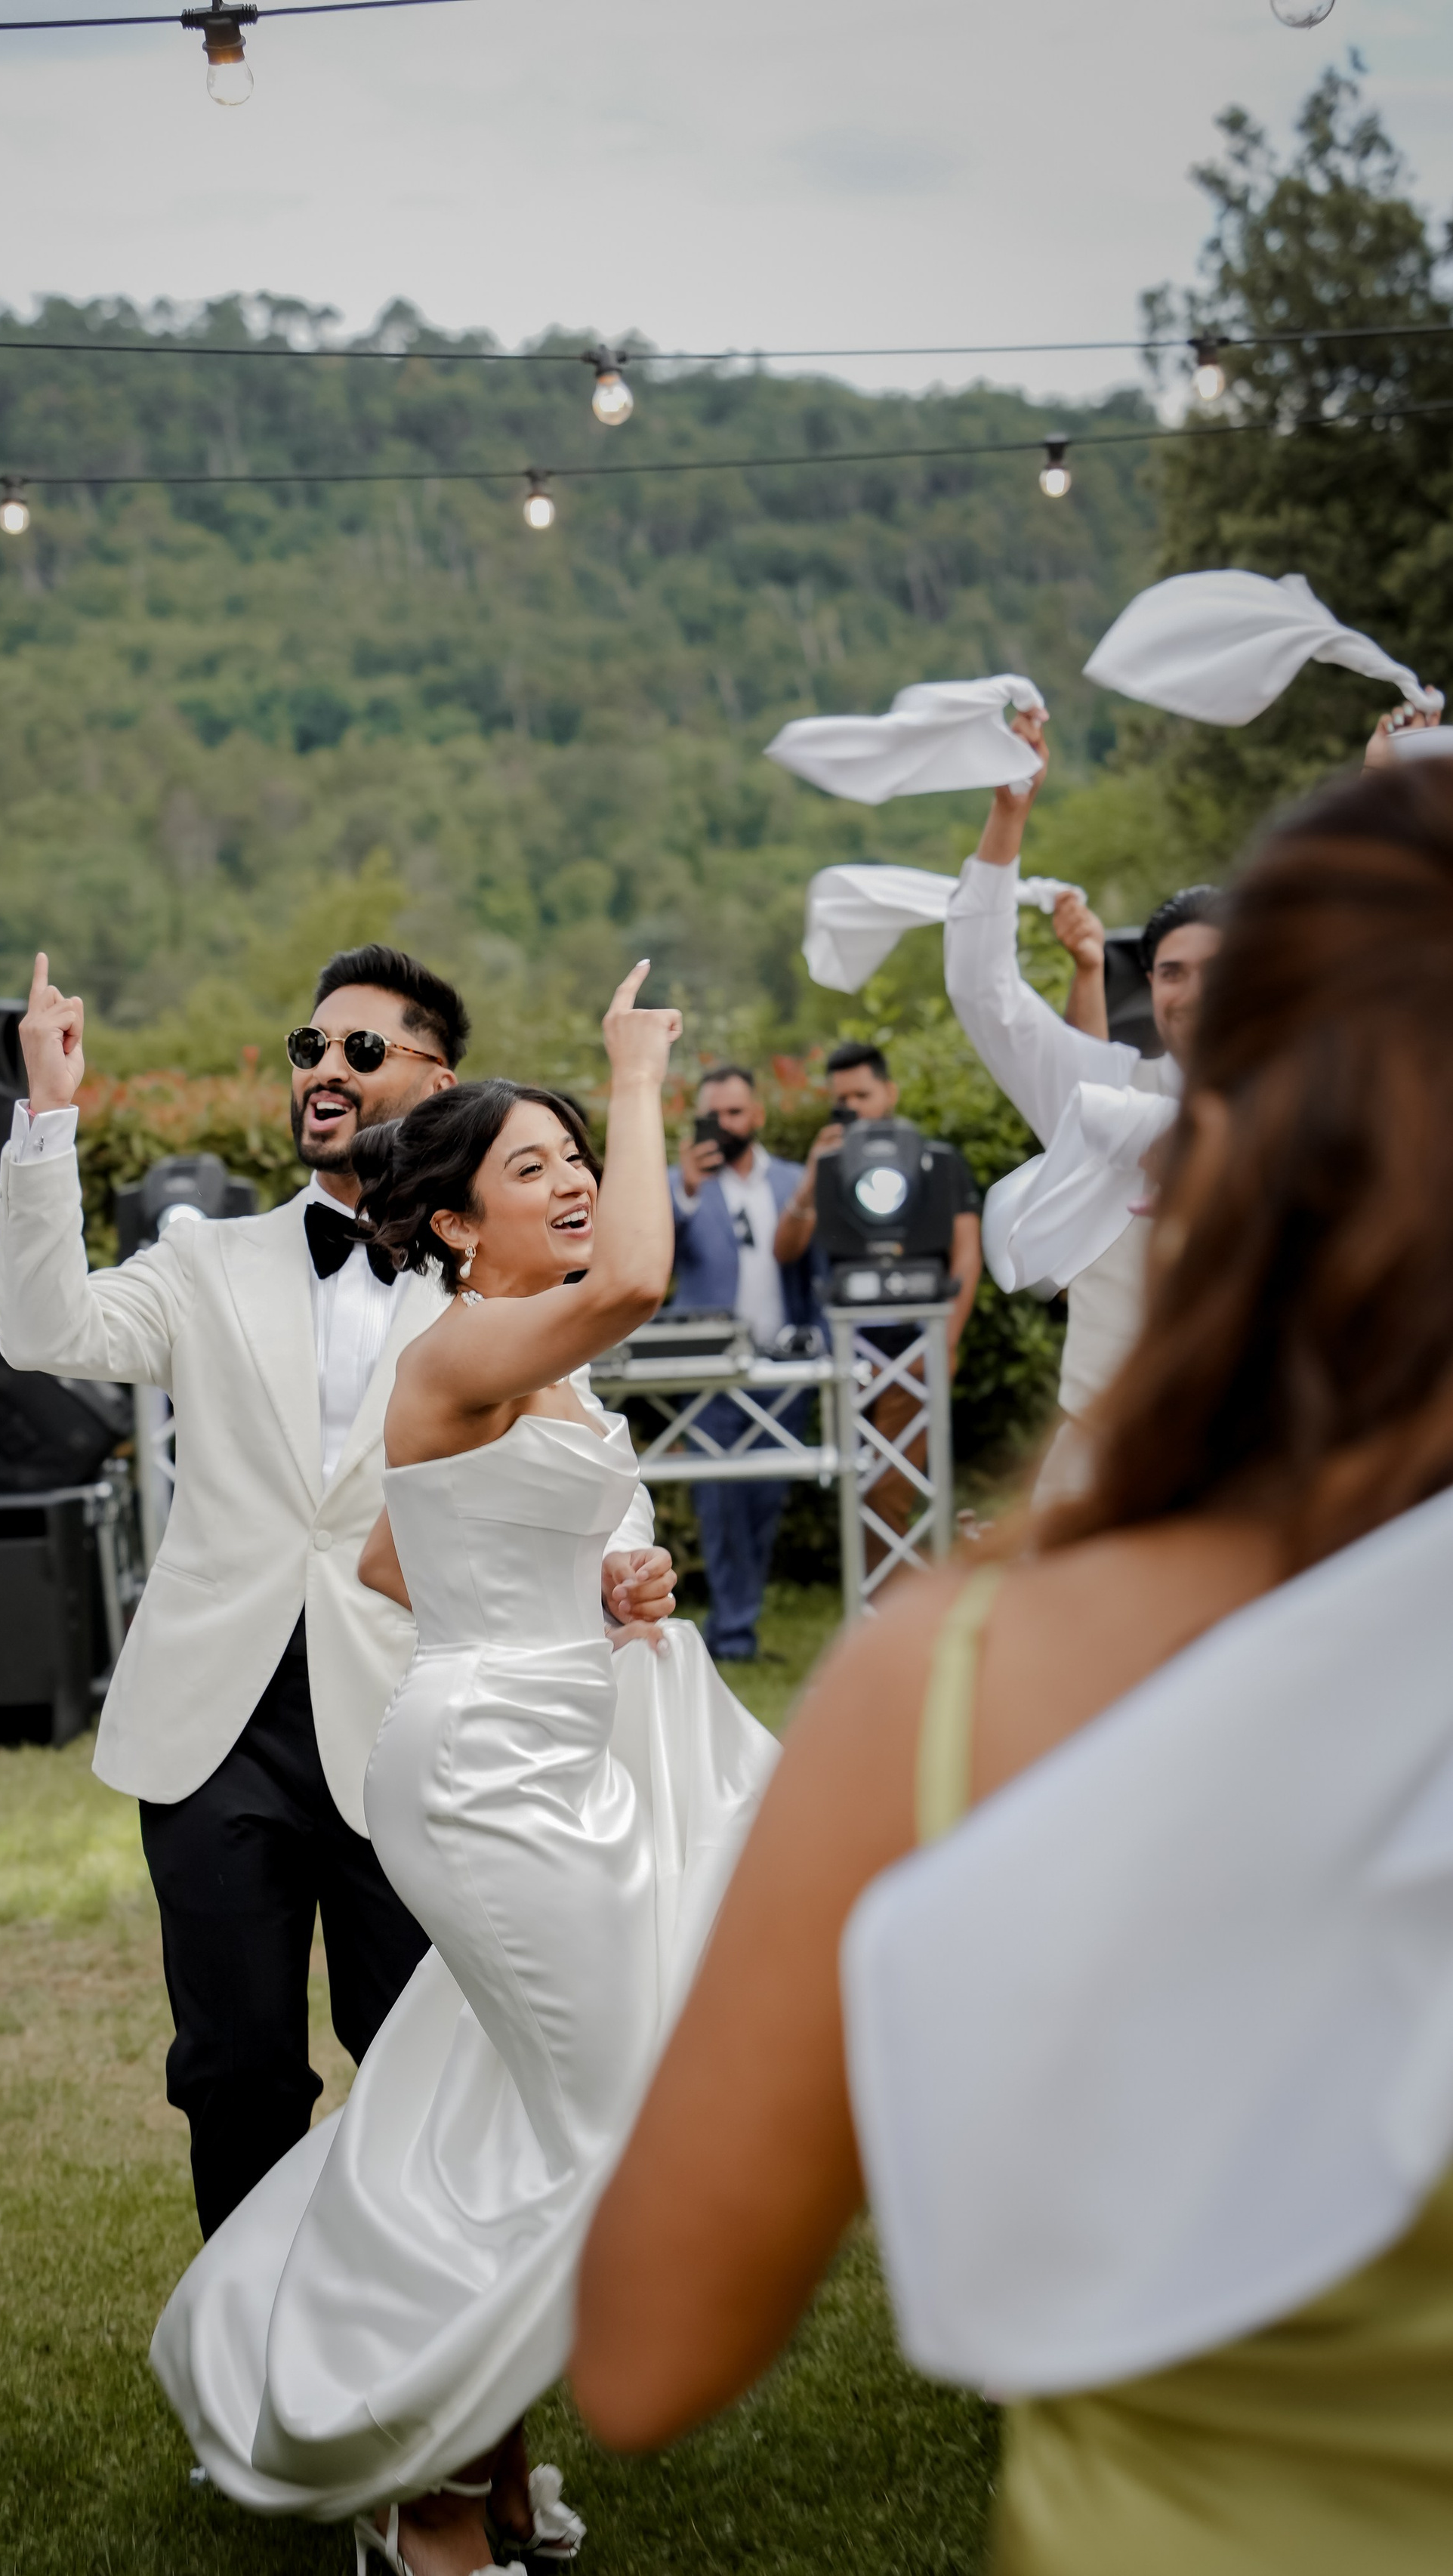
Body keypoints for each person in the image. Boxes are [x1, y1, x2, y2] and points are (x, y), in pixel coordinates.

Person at [574, 760, 1453, 2573]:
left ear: (1247, 1152)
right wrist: (993, 851)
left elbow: (643, 2354)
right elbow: (987, 1001)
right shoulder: (1112, 1099)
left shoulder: (955, 1674)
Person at [153, 967, 779, 2576]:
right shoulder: (462, 1346)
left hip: (548, 1753)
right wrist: (636, 1069)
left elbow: (380, 1562)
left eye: (583, 1154)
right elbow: (643, 1267)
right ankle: (422, 2486)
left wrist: (589, 1589)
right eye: (536, 1168)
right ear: (449, 1226)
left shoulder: (518, 1360)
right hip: (488, 1777)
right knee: (594, 2129)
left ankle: (469, 2471)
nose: (575, 1181)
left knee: (512, 2121)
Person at [0, 943, 674, 2239]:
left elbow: (570, 1444)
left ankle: (405, 2353)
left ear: (436, 1078)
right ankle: (246, 2382)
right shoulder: (207, 1261)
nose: (325, 1070)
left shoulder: (488, 1280)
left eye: (363, 1050)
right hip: (217, 1724)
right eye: (310, 1048)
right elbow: (44, 1330)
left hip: (415, 1715)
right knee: (236, 2068)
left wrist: (618, 1559)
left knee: (417, 2048)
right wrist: (48, 1117)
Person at [943, 708, 1221, 1502]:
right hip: (1104, 1471)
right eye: (1171, 972)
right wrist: (1008, 812)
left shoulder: (1309, 1098)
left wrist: (1400, 776)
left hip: (1255, 1477)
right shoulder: (1109, 1094)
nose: (1191, 991)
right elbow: (982, 990)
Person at [783, 1041, 981, 1567]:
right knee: (859, 1489)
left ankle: (901, 1611)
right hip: (850, 1350)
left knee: (886, 1493)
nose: (853, 1108)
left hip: (920, 1340)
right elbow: (788, 1251)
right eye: (840, 1099)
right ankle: (907, 1604)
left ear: (890, 1092)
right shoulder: (828, 1165)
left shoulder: (936, 1162)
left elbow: (966, 1255)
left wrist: (946, 1341)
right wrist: (811, 1178)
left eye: (863, 1095)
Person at [668, 1064, 822, 1662]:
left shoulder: (791, 1180)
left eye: (736, 1113)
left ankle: (737, 1625)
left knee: (765, 1500)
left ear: (757, 1115)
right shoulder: (679, 1184)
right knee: (720, 1501)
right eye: (714, 1114)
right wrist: (683, 1189)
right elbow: (657, 1256)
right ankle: (732, 1635)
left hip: (786, 1362)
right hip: (707, 1366)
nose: (726, 1124)